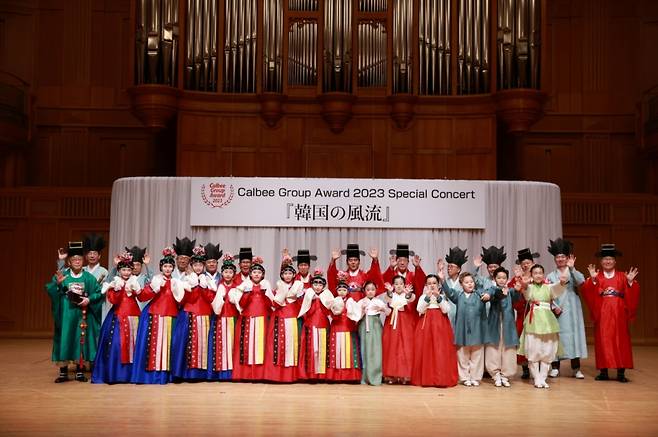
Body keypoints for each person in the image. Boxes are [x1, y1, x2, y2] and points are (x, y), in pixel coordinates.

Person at [45, 241, 103, 382]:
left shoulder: (88, 278)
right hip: (66, 315)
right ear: (69, 262)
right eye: (74, 260)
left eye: (79, 259)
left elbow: (98, 293)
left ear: (82, 261)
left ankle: (79, 370)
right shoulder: (63, 276)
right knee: (65, 339)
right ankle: (63, 371)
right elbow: (50, 289)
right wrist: (58, 285)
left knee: (81, 340)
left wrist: (89, 300)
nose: (77, 261)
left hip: (82, 315)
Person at [582, 244, 640, 383]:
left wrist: (631, 282)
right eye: (605, 259)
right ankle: (603, 371)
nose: (607, 261)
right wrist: (594, 281)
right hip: (602, 312)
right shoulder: (597, 276)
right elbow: (587, 291)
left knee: (621, 340)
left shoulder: (622, 276)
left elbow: (632, 293)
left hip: (619, 312)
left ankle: (621, 372)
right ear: (601, 262)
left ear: (615, 261)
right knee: (603, 340)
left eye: (610, 259)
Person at [131, 247, 188, 384]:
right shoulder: (156, 280)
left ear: (173, 268)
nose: (167, 269)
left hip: (172, 316)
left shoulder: (176, 282)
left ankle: (167, 375)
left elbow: (181, 300)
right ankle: (153, 376)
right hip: (154, 315)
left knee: (169, 347)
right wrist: (152, 288)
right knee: (154, 347)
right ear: (161, 267)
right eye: (165, 266)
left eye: (170, 266)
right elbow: (143, 297)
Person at [92, 251, 142, 384]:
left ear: (132, 270)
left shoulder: (134, 282)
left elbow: (142, 297)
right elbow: (113, 301)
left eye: (128, 270)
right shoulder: (114, 283)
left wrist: (137, 290)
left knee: (135, 344)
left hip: (134, 316)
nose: (126, 272)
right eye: (123, 270)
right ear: (119, 270)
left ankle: (134, 375)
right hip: (118, 316)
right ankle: (116, 374)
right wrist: (118, 289)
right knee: (116, 344)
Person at [517, 264, 567, 389]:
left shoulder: (548, 287)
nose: (538, 275)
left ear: (543, 274)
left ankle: (543, 377)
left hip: (548, 321)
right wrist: (524, 284)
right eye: (535, 273)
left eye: (540, 273)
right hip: (533, 320)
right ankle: (536, 378)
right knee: (534, 349)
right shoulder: (530, 287)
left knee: (547, 349)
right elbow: (526, 293)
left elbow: (558, 288)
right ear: (532, 275)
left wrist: (561, 282)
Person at [439, 266, 490, 387]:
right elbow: (449, 292)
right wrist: (442, 280)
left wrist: (488, 294)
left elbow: (491, 291)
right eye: (466, 282)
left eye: (471, 282)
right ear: (461, 284)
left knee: (477, 355)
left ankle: (475, 377)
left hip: (477, 329)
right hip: (462, 330)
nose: (470, 284)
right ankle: (465, 377)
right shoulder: (458, 295)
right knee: (463, 355)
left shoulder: (480, 295)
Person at [171, 246, 216, 381]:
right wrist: (194, 286)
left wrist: (203, 287)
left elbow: (211, 298)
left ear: (203, 266)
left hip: (205, 314)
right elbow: (184, 299)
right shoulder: (186, 279)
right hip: (188, 314)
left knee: (203, 345)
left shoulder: (208, 280)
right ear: (192, 266)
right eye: (195, 265)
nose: (198, 267)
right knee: (186, 344)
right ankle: (184, 373)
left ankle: (201, 374)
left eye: (200, 265)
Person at [545, 238, 588, 379]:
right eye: (558, 257)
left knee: (574, 336)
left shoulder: (573, 271)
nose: (560, 259)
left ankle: (576, 368)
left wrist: (572, 268)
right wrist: (554, 306)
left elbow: (581, 282)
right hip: (558, 310)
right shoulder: (551, 275)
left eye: (563, 256)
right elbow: (547, 294)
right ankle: (555, 367)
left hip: (573, 309)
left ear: (567, 257)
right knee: (557, 337)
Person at [228, 256, 273, 381]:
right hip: (247, 319)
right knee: (246, 345)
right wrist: (247, 293)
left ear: (262, 274)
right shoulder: (245, 285)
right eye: (254, 272)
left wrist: (265, 295)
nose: (256, 274)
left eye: (259, 272)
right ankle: (245, 374)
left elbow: (271, 304)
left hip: (262, 319)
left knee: (261, 346)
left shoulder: (266, 285)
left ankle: (260, 374)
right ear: (251, 274)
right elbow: (241, 304)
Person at [411, 274, 458, 388]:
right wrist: (427, 298)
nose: (432, 286)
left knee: (440, 350)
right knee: (426, 350)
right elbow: (419, 309)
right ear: (426, 285)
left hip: (441, 326)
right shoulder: (423, 297)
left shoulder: (442, 296)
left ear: (438, 285)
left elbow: (446, 309)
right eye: (429, 283)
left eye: (434, 283)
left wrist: (438, 298)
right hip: (426, 326)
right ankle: (427, 378)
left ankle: (440, 378)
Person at [264, 255, 304, 382]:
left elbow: (302, 303)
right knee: (278, 346)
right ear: (282, 275)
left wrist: (297, 296)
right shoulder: (278, 287)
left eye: (289, 273)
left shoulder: (298, 286)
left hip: (292, 317)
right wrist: (281, 294)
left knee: (292, 345)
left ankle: (291, 375)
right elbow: (274, 304)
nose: (287, 275)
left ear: (293, 275)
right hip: (280, 318)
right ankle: (276, 375)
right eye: (285, 273)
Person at [484, 267, 520, 387]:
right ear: (494, 279)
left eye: (504, 278)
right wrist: (489, 296)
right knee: (493, 348)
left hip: (507, 324)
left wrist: (518, 289)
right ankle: (496, 375)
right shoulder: (493, 289)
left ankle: (506, 375)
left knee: (508, 348)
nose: (501, 280)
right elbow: (491, 294)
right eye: (499, 277)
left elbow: (516, 296)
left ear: (507, 279)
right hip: (494, 323)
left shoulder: (510, 291)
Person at [508, 248, 539, 379]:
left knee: (536, 341)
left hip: (537, 315)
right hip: (522, 314)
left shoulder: (538, 276)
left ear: (532, 263)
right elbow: (509, 293)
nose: (526, 265)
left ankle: (537, 367)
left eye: (528, 262)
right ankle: (525, 368)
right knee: (522, 340)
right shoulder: (516, 279)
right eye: (523, 263)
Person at [297, 269, 334, 381]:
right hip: (311, 325)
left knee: (323, 348)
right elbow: (305, 310)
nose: (317, 286)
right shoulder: (308, 294)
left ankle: (322, 375)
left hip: (323, 324)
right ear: (311, 284)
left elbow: (329, 311)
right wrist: (312, 300)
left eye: (320, 284)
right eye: (315, 284)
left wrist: (321, 301)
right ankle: (310, 374)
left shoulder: (327, 294)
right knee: (311, 349)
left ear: (324, 285)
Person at [326, 272, 362, 382]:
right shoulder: (334, 301)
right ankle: (335, 376)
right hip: (337, 327)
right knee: (336, 350)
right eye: (340, 290)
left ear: (348, 291)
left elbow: (356, 314)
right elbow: (330, 314)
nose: (342, 292)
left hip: (348, 327)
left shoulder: (351, 301)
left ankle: (351, 376)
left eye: (344, 290)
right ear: (337, 291)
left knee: (349, 351)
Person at [209, 253, 239, 380]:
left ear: (234, 274)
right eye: (225, 272)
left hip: (233, 318)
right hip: (221, 318)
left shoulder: (237, 286)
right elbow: (215, 304)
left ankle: (233, 373)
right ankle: (221, 372)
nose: (227, 274)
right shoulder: (218, 286)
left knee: (232, 344)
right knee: (221, 344)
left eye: (230, 272)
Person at [381, 275, 416, 384]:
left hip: (405, 321)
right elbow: (386, 299)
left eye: (401, 283)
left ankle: (405, 375)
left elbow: (411, 298)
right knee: (391, 346)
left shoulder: (407, 295)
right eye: (396, 284)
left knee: (405, 347)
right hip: (392, 321)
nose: (399, 286)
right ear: (393, 285)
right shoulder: (391, 295)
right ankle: (391, 375)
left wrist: (408, 293)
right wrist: (389, 292)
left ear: (404, 285)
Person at [357, 281, 390, 386]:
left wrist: (382, 308)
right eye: (368, 289)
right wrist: (362, 310)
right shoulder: (361, 302)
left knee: (377, 350)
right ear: (364, 291)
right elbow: (355, 317)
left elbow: (389, 312)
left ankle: (376, 377)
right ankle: (365, 377)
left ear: (376, 291)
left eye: (372, 289)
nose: (370, 292)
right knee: (364, 350)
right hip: (364, 326)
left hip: (375, 326)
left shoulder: (378, 301)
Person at [442, 247, 469, 329]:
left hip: (461, 318)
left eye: (452, 266)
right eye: (448, 266)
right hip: (447, 317)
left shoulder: (464, 282)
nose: (449, 268)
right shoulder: (444, 282)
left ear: (458, 269)